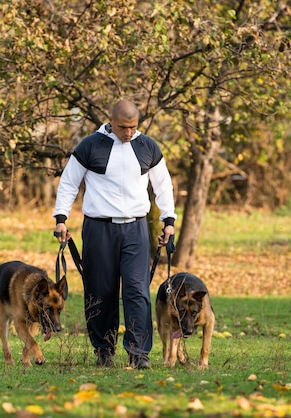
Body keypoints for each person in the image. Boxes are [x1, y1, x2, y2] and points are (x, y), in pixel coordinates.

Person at [52, 100, 176, 369]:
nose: (129, 132)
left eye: (133, 127)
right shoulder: (90, 145)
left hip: (135, 228)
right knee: (101, 290)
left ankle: (139, 353)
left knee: (137, 291)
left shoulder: (148, 147)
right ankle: (103, 352)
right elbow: (69, 182)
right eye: (123, 127)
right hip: (99, 228)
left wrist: (169, 221)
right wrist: (61, 218)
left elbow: (163, 186)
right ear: (111, 120)